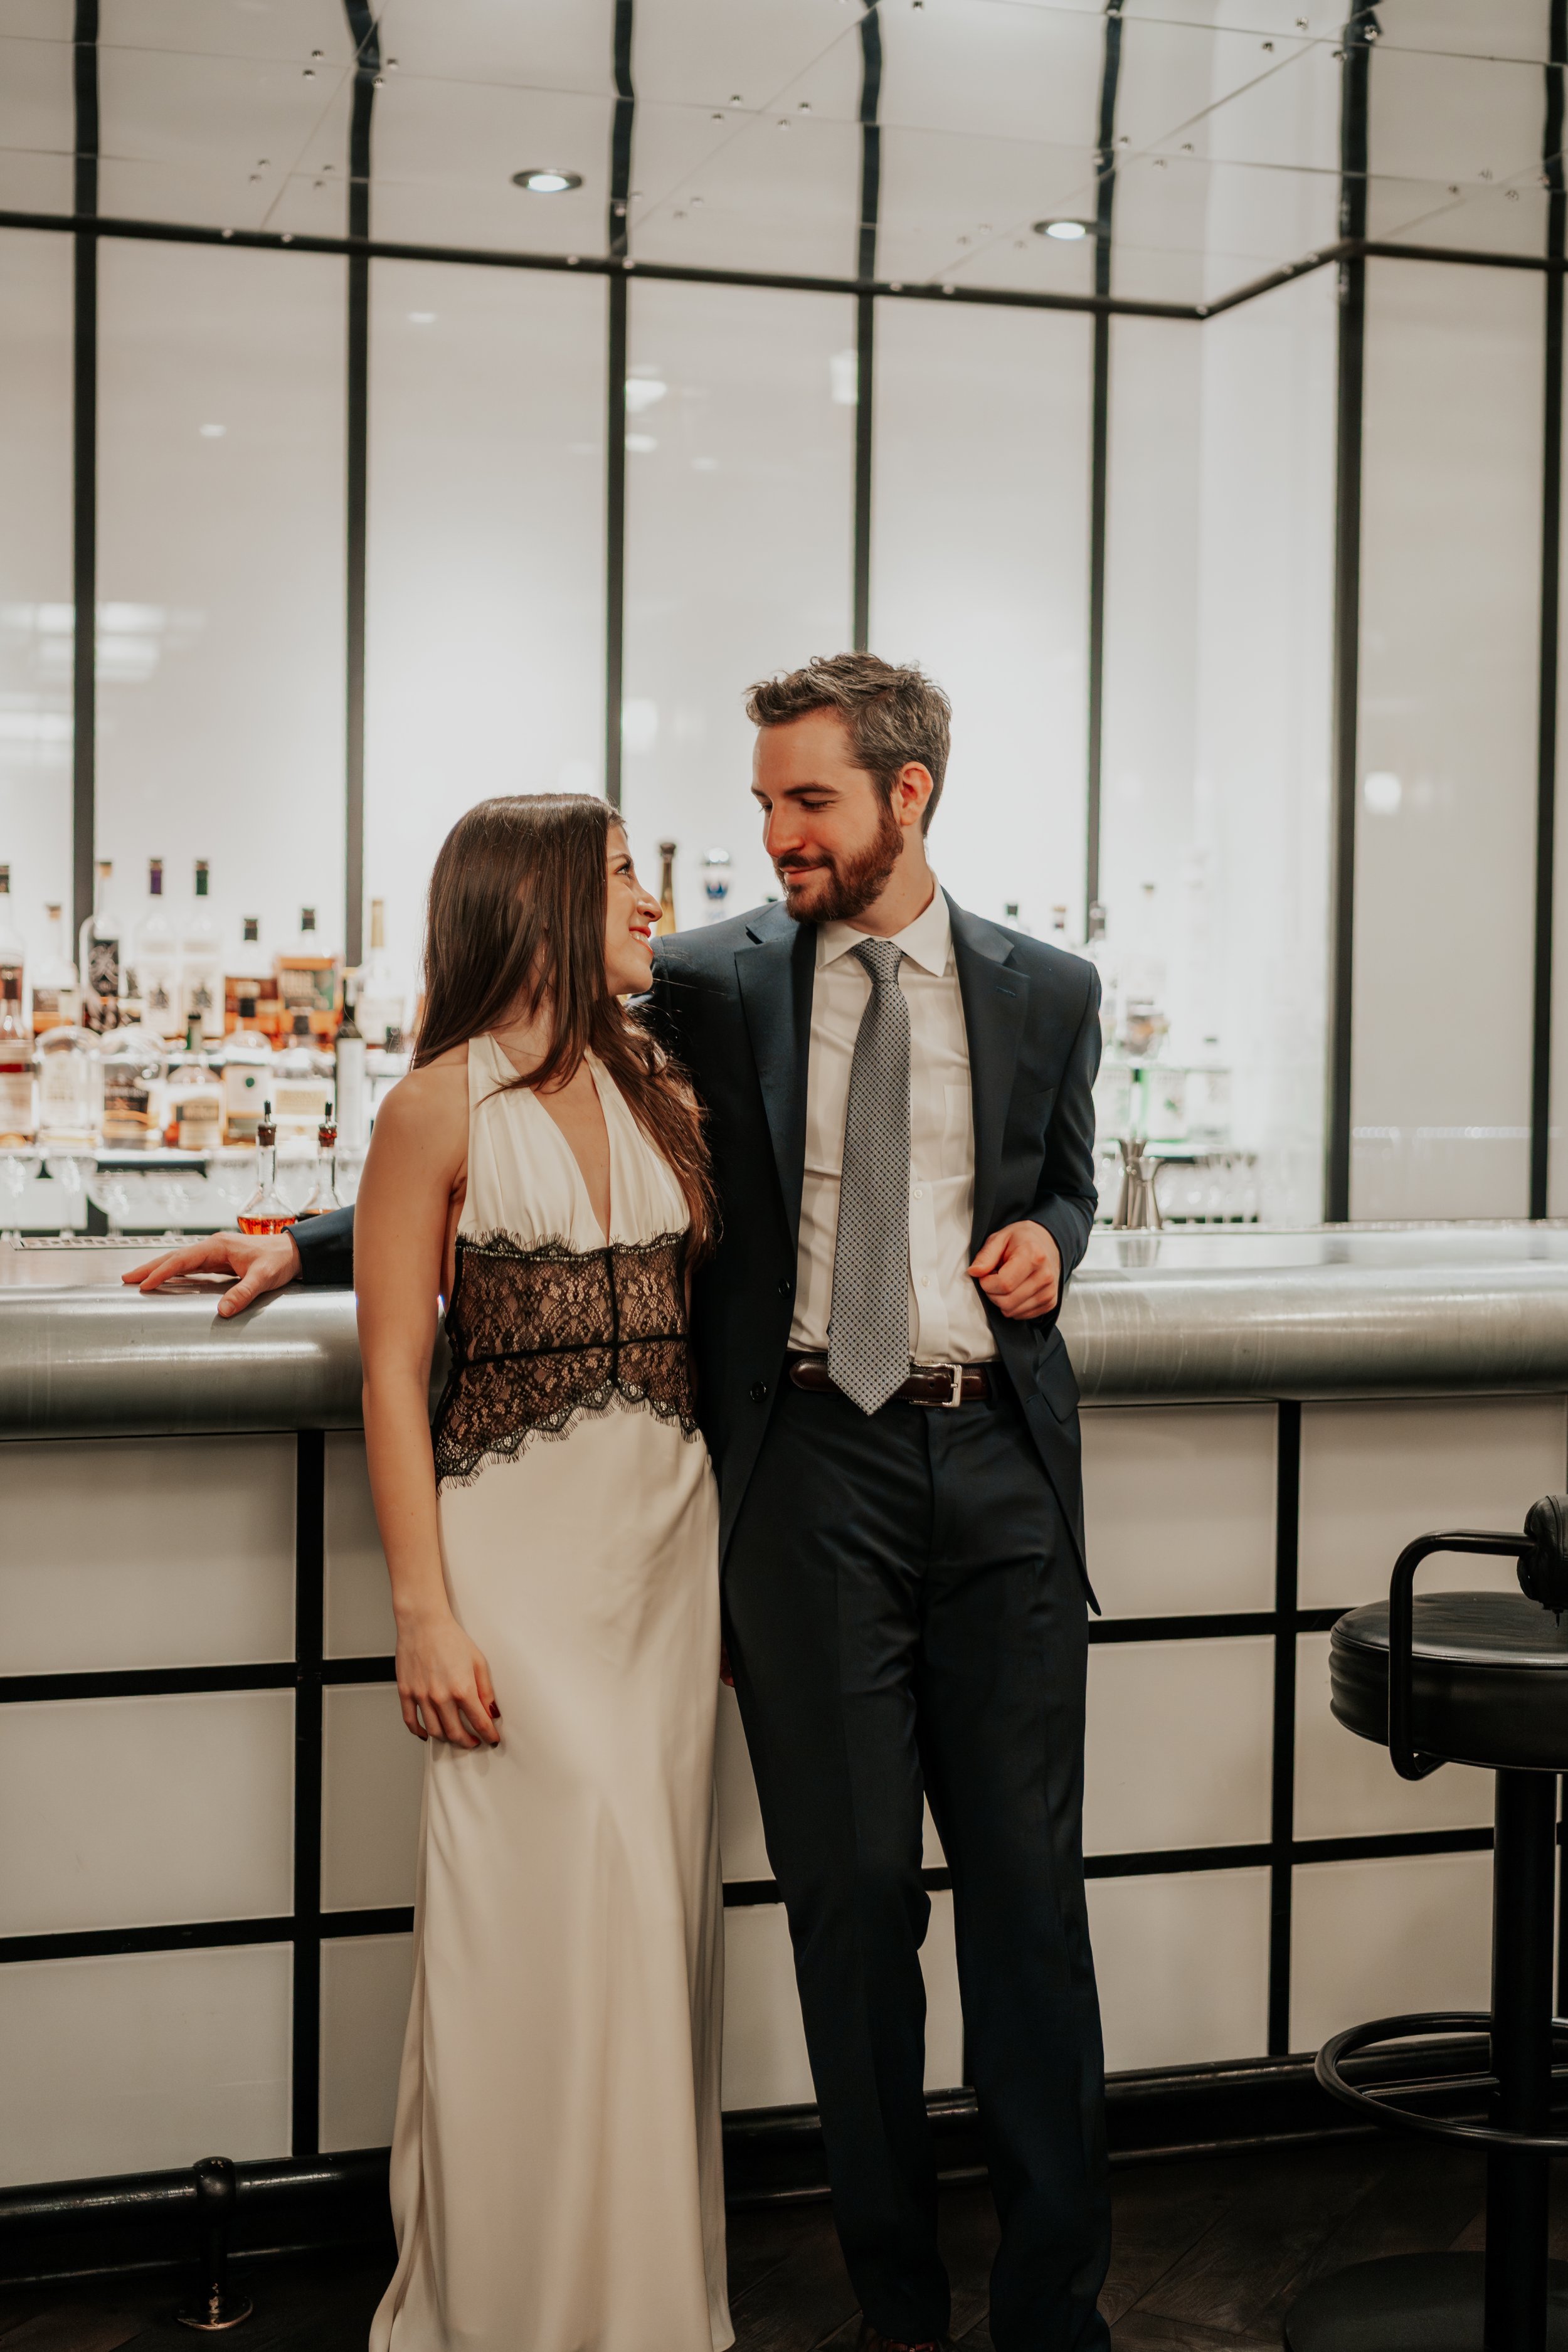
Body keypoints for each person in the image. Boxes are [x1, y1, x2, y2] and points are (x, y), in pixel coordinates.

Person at [129, 653, 1109, 2352]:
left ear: (908, 795)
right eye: (759, 804)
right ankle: (897, 2311)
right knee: (850, 1906)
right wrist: (295, 1239)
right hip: (810, 1477)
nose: (768, 839)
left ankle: (1055, 2319)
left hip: (1000, 1470)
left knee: (1030, 1903)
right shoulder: (719, 985)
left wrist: (1055, 1244)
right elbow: (500, 1112)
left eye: (803, 802)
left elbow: (1066, 1184)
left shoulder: (1051, 989)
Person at [181, 796, 733, 2352]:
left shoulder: (670, 1086)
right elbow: (392, 1381)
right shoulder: (433, 1107)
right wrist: (422, 1611)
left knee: (649, 1926)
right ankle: (510, 2305)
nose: (655, 902)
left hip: (665, 1558)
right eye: (628, 875)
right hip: (517, 1571)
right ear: (546, 898)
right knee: (534, 1927)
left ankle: (640, 2307)